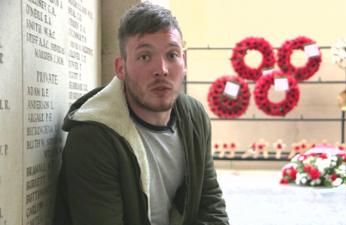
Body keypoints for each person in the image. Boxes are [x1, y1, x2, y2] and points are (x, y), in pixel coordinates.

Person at [53, 2, 229, 225]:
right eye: (145, 56)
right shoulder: (93, 136)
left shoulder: (194, 116)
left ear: (184, 63)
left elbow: (210, 202)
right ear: (121, 68)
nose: (162, 69)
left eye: (172, 54)